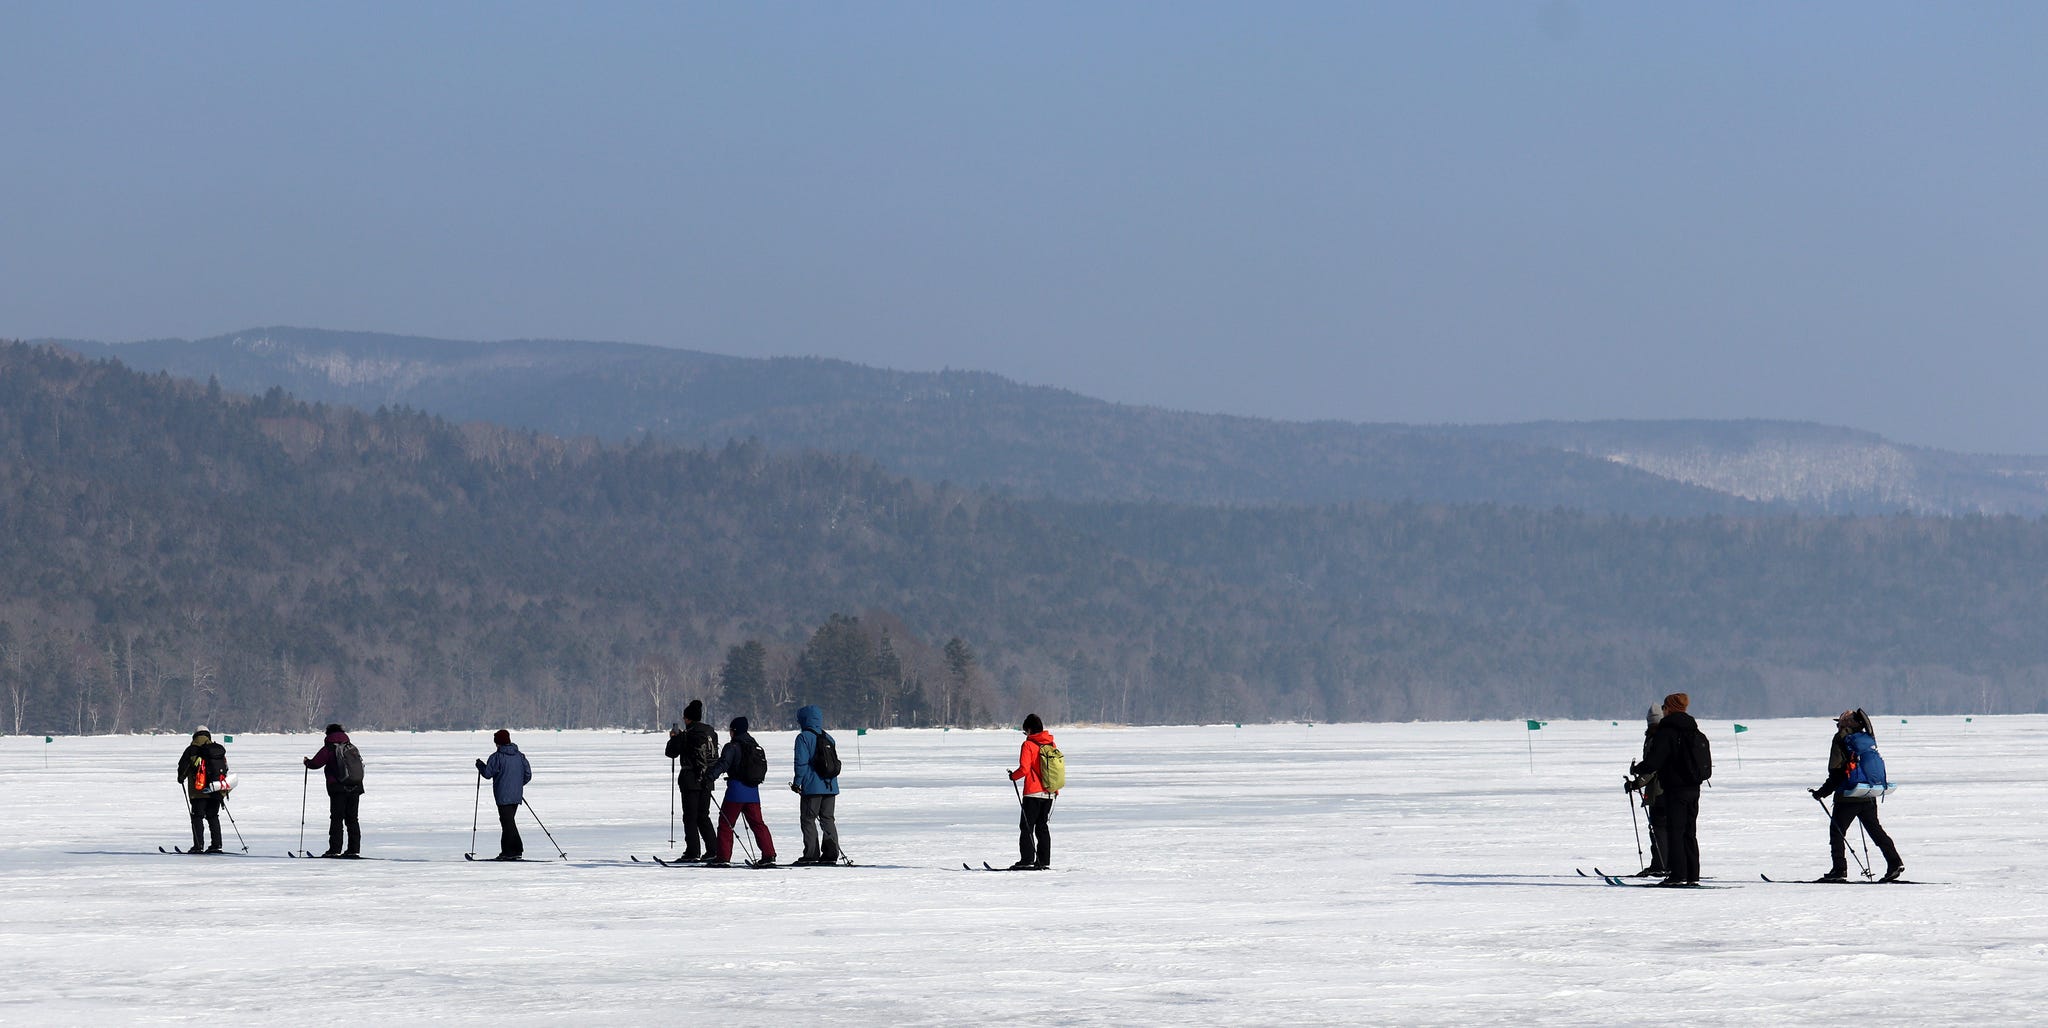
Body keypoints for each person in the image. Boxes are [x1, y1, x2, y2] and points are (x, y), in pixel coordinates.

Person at [1811, 708, 1905, 883]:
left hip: (1848, 795)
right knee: (1876, 831)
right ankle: (1895, 863)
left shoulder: (1840, 739)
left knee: (1837, 833)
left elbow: (1837, 772)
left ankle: (1839, 870)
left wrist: (1822, 792)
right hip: (1869, 793)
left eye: (1839, 723)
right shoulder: (1865, 738)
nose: (1837, 726)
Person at [1630, 693, 1705, 886]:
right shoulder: (1693, 730)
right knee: (1690, 833)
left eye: (1665, 706)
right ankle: (1692, 874)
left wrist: (1638, 769)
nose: (1663, 709)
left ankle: (1678, 875)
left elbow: (1655, 761)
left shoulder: (1668, 731)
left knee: (1675, 831)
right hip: (1694, 788)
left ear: (1670, 708)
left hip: (1675, 789)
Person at [700, 716, 776, 867]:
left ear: (734, 730)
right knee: (758, 824)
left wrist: (709, 777)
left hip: (736, 791)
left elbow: (724, 764)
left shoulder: (733, 746)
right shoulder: (754, 745)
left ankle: (723, 857)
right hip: (753, 792)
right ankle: (769, 854)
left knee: (726, 823)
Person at [663, 700, 720, 861]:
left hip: (690, 779)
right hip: (708, 779)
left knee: (690, 817)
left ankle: (692, 851)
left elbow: (671, 753)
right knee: (703, 815)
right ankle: (713, 850)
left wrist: (674, 738)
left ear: (688, 719)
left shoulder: (687, 734)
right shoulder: (710, 733)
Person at [303, 723, 364, 857]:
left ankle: (334, 850)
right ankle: (353, 849)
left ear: (328, 734)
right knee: (352, 819)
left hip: (338, 789)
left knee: (337, 819)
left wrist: (307, 762)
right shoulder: (352, 747)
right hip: (355, 787)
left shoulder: (330, 748)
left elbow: (316, 763)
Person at [791, 704, 841, 865]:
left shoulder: (804, 737)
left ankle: (811, 854)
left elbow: (801, 763)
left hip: (812, 787)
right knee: (827, 819)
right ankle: (831, 853)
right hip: (831, 785)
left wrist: (797, 782)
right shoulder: (828, 737)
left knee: (808, 818)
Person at [1006, 713, 1058, 870]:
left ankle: (1027, 859)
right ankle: (1043, 860)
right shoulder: (1051, 744)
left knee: (1027, 826)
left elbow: (1024, 768)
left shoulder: (1028, 745)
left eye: (1025, 732)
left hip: (1033, 793)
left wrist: (1013, 776)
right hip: (1049, 792)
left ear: (1029, 730)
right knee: (1042, 826)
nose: (1025, 735)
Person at [1624, 706, 1668, 877]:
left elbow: (1652, 768)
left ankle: (1660, 864)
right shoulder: (1664, 736)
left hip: (1658, 791)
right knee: (1664, 829)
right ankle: (1666, 863)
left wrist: (1636, 784)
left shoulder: (1656, 738)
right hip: (1666, 790)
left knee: (1658, 829)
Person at [475, 729, 531, 861]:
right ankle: (508, 851)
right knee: (507, 821)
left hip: (502, 795)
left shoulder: (497, 757)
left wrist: (480, 765)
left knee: (507, 822)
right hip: (516, 795)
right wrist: (517, 785)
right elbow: (528, 775)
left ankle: (514, 850)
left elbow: (488, 774)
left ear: (498, 743)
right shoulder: (520, 756)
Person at [175, 726, 230, 853]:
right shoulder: (217, 750)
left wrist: (181, 778)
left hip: (198, 791)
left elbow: (182, 767)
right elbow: (225, 768)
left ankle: (198, 846)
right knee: (213, 817)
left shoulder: (191, 750)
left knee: (197, 817)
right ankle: (216, 845)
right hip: (215, 789)